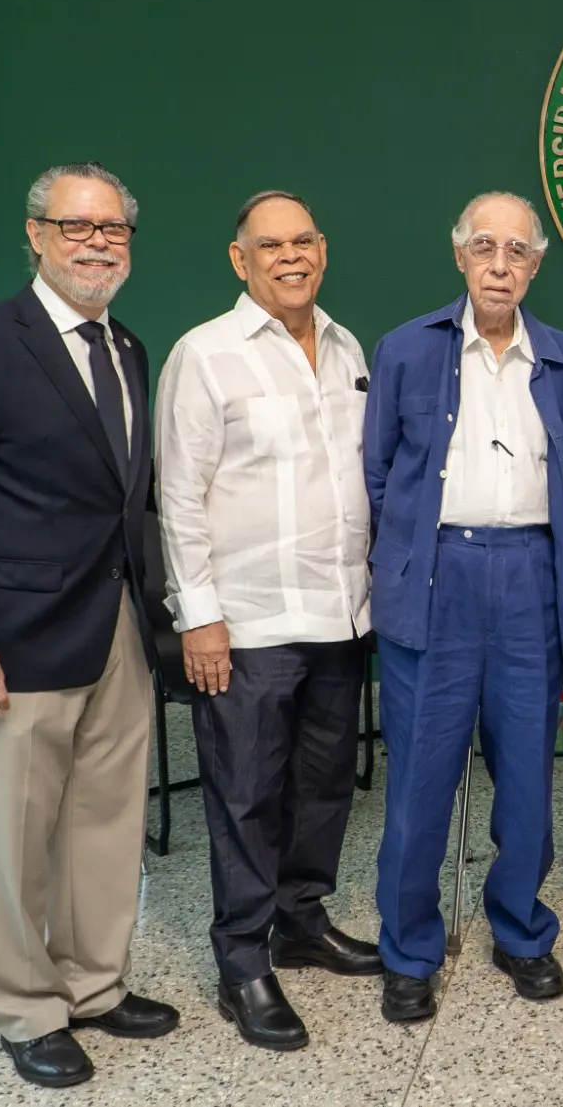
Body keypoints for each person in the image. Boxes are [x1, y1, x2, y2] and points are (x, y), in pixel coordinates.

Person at [0, 163, 177, 1089]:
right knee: (11, 839)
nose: (97, 242)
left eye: (114, 229)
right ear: (35, 235)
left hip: (116, 632)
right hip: (10, 647)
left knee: (105, 825)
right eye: (76, 226)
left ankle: (94, 985)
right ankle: (24, 1006)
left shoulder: (129, 346)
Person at [365, 192, 563, 1023]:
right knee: (421, 779)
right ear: (459, 256)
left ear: (536, 265)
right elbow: (376, 473)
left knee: (528, 777)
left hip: (531, 576)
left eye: (517, 251)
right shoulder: (405, 351)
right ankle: (408, 949)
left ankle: (521, 931)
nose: (500, 264)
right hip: (437, 575)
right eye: (483, 248)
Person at [155, 191, 380, 1051]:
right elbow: (177, 496)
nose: (291, 256)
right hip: (244, 623)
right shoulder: (205, 355)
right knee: (247, 795)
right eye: (269, 245)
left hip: (338, 614)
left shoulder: (349, 345)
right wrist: (198, 619)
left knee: (324, 785)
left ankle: (300, 919)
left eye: (303, 241)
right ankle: (243, 959)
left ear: (322, 249)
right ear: (238, 259)